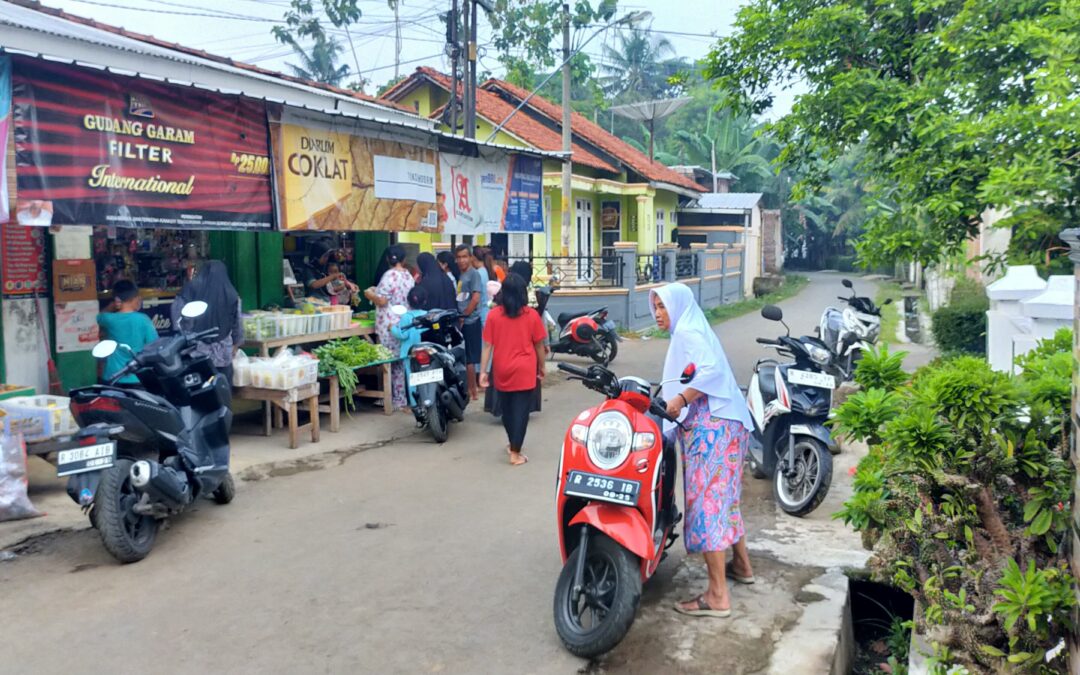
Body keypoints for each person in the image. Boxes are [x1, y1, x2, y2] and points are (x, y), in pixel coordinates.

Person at [650, 283, 755, 619]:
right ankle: (741, 565)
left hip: (713, 427)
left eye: (663, 307)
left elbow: (712, 370)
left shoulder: (687, 332)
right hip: (731, 424)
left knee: (708, 504)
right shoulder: (694, 327)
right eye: (654, 307)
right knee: (725, 500)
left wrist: (679, 400)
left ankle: (717, 595)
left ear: (677, 306)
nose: (658, 314)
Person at [479, 274, 545, 466]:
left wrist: (483, 372)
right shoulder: (531, 315)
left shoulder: (493, 316)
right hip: (525, 368)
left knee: (507, 410)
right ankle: (515, 452)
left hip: (502, 368)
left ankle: (512, 443)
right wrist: (542, 367)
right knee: (521, 411)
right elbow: (539, 345)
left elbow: (487, 347)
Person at [171, 260, 244, 384]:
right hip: (222, 353)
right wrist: (236, 343)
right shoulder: (231, 294)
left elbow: (177, 316)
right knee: (222, 388)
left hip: (195, 351)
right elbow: (237, 323)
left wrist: (184, 337)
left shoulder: (190, 289)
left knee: (195, 387)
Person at [364, 245, 414, 410]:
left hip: (389, 325)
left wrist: (369, 294)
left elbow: (382, 301)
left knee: (389, 363)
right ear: (404, 259)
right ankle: (401, 398)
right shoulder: (408, 276)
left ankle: (392, 398)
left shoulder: (389, 275)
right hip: (404, 323)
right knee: (400, 362)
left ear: (387, 259)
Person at [97, 280, 158, 386]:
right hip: (137, 377)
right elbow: (154, 345)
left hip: (113, 376)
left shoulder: (109, 319)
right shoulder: (144, 320)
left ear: (117, 300)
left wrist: (113, 305)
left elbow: (99, 316)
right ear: (135, 298)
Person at [391, 286, 430, 409]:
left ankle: (414, 404)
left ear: (408, 302)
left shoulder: (406, 317)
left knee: (412, 377)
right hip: (426, 351)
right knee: (426, 376)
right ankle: (427, 399)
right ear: (425, 301)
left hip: (409, 353)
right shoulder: (428, 315)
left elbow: (402, 335)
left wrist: (392, 328)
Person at [454, 244, 483, 401]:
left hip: (470, 321)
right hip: (463, 319)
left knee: (470, 358)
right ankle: (471, 389)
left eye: (464, 256)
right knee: (465, 357)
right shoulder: (461, 274)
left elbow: (476, 298)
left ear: (471, 257)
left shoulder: (474, 275)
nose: (461, 260)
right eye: (458, 257)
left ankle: (473, 390)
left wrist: (464, 316)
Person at [471, 246, 492, 326]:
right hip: (486, 312)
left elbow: (476, 298)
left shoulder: (478, 273)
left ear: (473, 257)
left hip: (480, 314)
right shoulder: (484, 271)